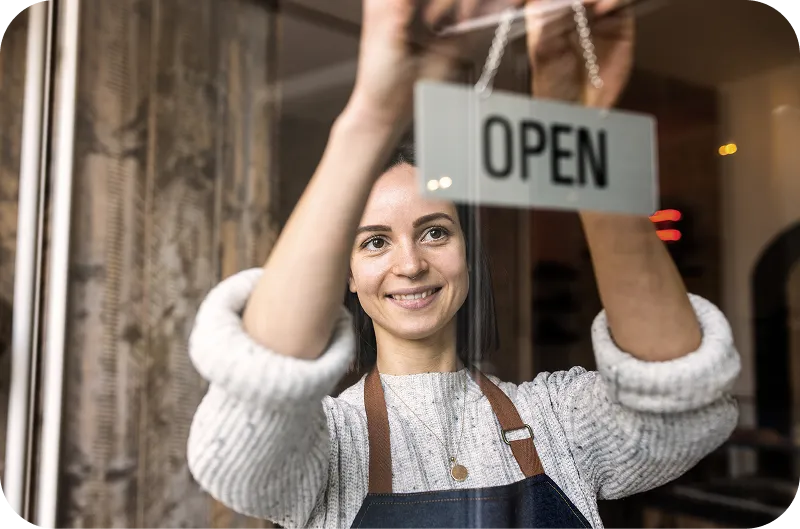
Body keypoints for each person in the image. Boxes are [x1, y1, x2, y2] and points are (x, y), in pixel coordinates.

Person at [186, 1, 741, 527]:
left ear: (468, 256)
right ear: (347, 277)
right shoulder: (332, 441)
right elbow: (238, 450)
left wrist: (579, 135)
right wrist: (374, 114)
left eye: (434, 232)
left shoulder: (558, 420)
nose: (410, 264)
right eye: (374, 242)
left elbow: (681, 412)